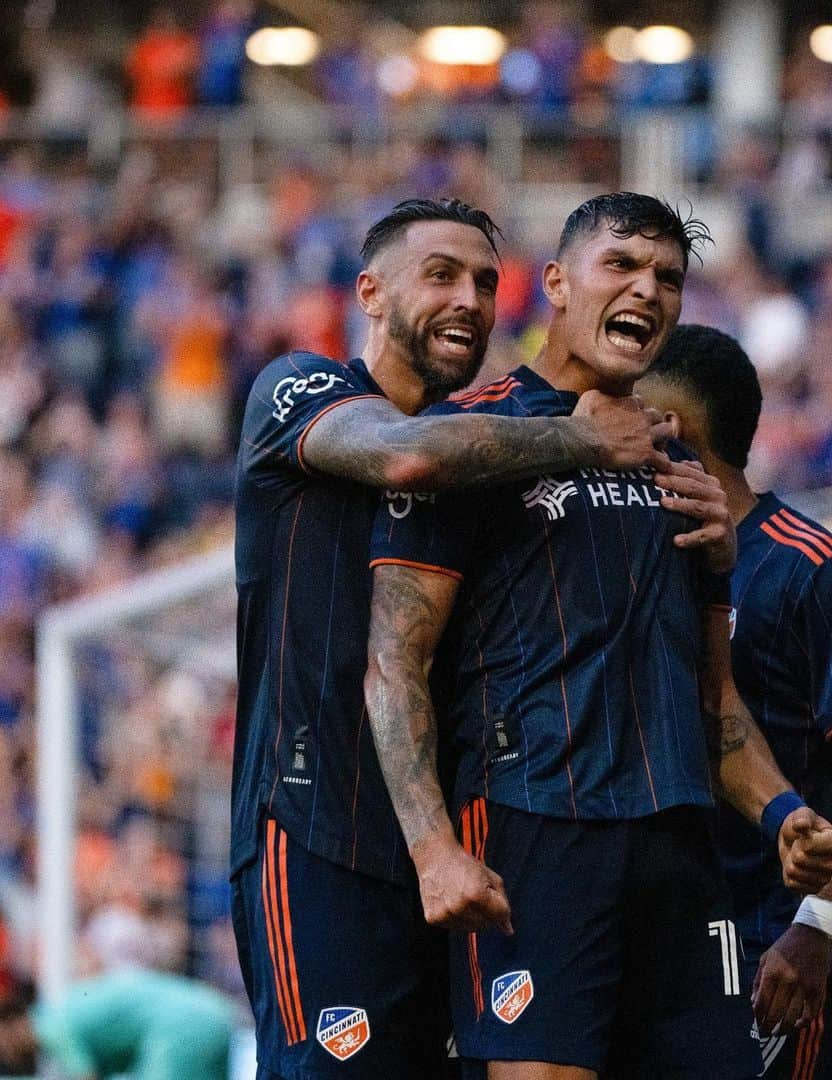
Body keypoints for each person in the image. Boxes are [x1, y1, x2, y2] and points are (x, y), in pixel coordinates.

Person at [365, 193, 832, 1080]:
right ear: (554, 282)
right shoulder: (473, 437)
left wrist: (783, 811)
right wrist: (434, 849)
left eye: (668, 277)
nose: (649, 291)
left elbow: (712, 699)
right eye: (620, 265)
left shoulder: (682, 468)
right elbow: (395, 663)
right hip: (533, 830)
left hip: (676, 847)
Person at [231, 197, 674, 1079]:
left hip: (458, 838)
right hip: (316, 825)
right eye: (440, 275)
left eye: (482, 282)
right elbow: (407, 457)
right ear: (371, 292)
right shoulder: (300, 387)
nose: (470, 300)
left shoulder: (498, 447)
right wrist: (581, 441)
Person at [639, 324, 832, 1079]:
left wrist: (816, 926)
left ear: (674, 430)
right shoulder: (638, 556)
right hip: (661, 943)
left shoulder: (815, 568)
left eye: (634, 410)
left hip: (772, 948)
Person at [0, 970, 235, 1079]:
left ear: (12, 1027)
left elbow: (86, 1076)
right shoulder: (66, 1005)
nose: (7, 1054)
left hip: (179, 1030)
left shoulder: (49, 1026)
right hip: (214, 1013)